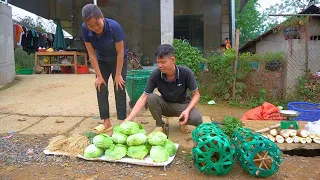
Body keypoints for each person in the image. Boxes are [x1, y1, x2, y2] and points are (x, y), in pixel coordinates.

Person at [124, 44, 203, 133]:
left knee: (197, 119)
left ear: (172, 60)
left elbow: (196, 95)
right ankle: (160, 124)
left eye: (163, 62)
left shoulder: (185, 73)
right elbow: (144, 97)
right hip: (165, 105)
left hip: (182, 105)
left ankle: (183, 121)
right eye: (158, 62)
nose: (160, 65)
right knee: (151, 97)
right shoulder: (156, 74)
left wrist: (187, 110)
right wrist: (129, 118)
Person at [81, 4, 127, 132]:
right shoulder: (85, 29)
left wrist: (118, 75)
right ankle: (106, 122)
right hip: (101, 60)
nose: (95, 28)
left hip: (118, 59)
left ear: (102, 17)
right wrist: (99, 76)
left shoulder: (114, 27)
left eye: (97, 23)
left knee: (119, 87)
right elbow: (91, 53)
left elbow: (120, 52)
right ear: (86, 24)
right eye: (91, 26)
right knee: (100, 86)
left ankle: (123, 121)